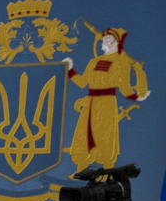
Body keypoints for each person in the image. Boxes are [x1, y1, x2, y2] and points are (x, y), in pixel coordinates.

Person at [64, 26, 150, 172]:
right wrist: (70, 70)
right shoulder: (94, 61)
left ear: (116, 42)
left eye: (109, 38)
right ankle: (80, 169)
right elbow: (83, 82)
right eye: (104, 37)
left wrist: (137, 96)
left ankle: (107, 170)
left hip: (107, 103)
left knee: (104, 136)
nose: (104, 39)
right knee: (84, 135)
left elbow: (125, 89)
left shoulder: (122, 63)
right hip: (91, 103)